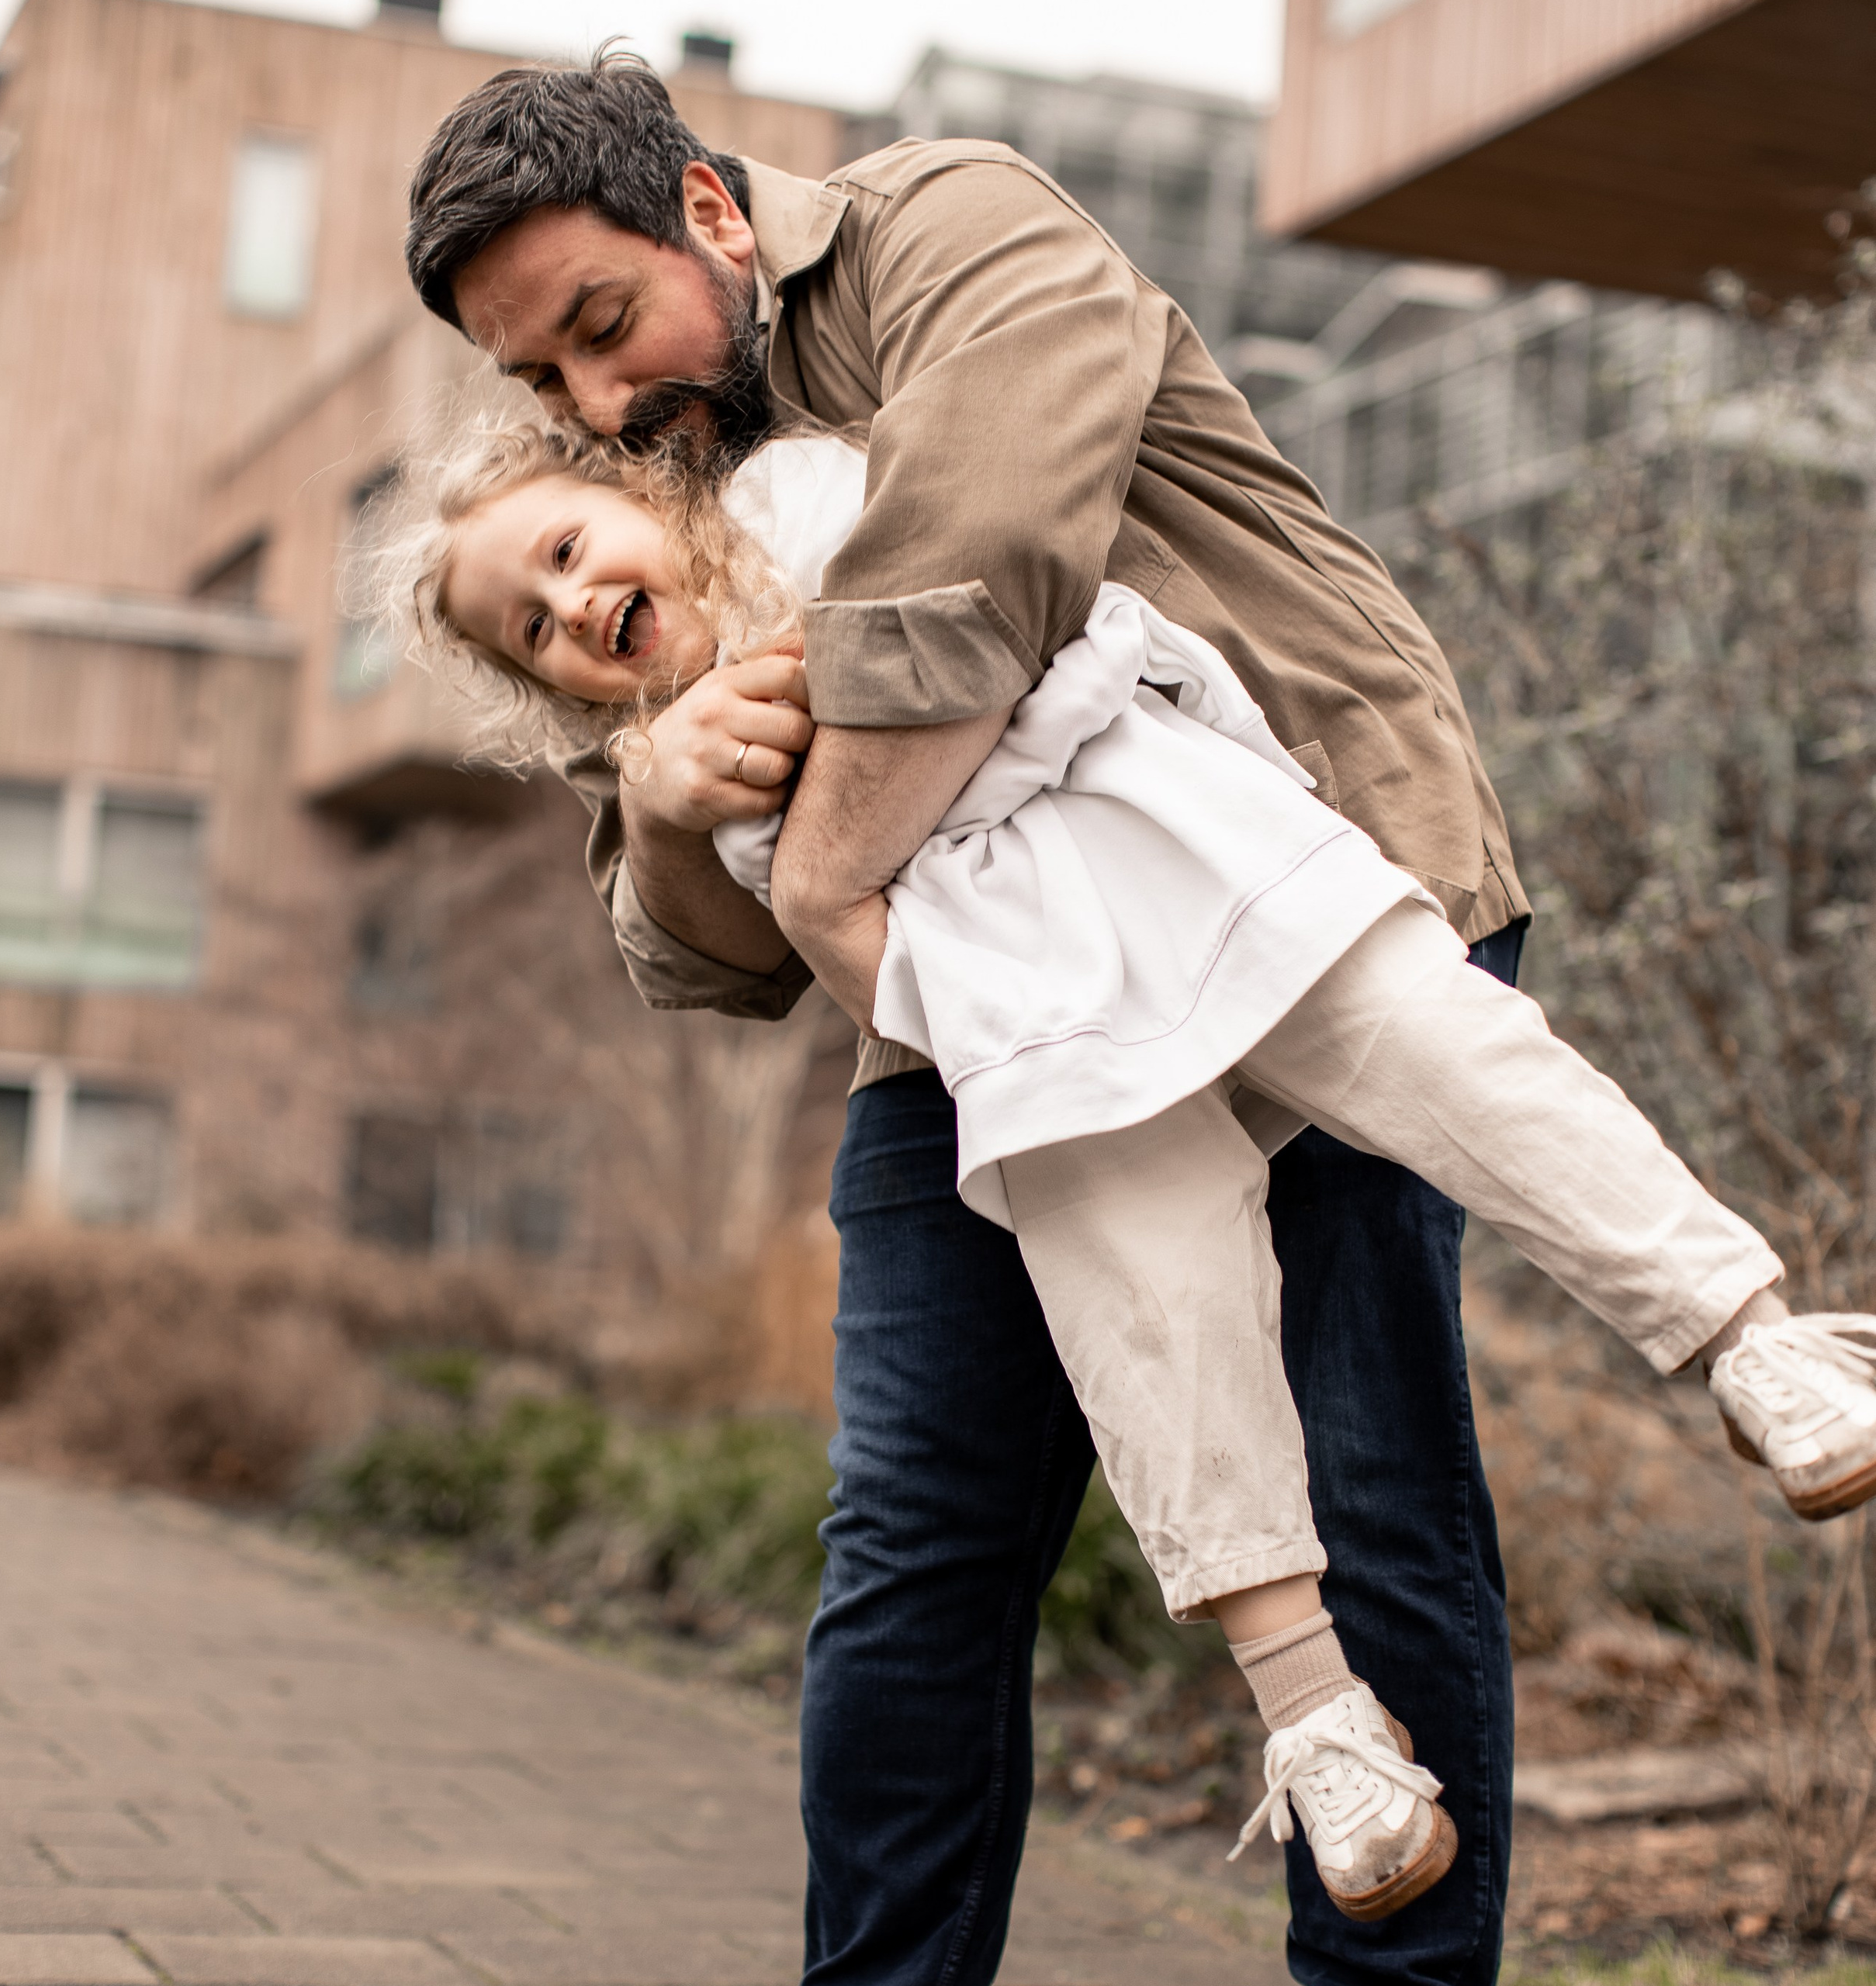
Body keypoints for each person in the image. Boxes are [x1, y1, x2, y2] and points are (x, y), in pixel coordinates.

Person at [374, 413, 1876, 1925]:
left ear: (643, 494)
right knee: (1148, 1322)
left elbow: (977, 614)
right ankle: (1315, 1719)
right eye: (532, 629)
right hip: (1035, 1018)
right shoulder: (696, 769)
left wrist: (847, 788)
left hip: (1185, 852)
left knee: (1456, 1052)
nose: (569, 605)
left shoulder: (796, 498)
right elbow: (821, 933)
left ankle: (1752, 1339)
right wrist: (742, 835)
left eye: (566, 551)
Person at [400, 52, 1532, 1983]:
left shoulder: (956, 225)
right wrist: (671, 801)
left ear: (709, 209)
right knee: (913, 1550)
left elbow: (971, 566)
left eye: (599, 329)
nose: (596, 410)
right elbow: (695, 953)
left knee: (1368, 1500)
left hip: (1303, 900)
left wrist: (821, 871)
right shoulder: (642, 486)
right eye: (542, 386)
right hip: (982, 1017)